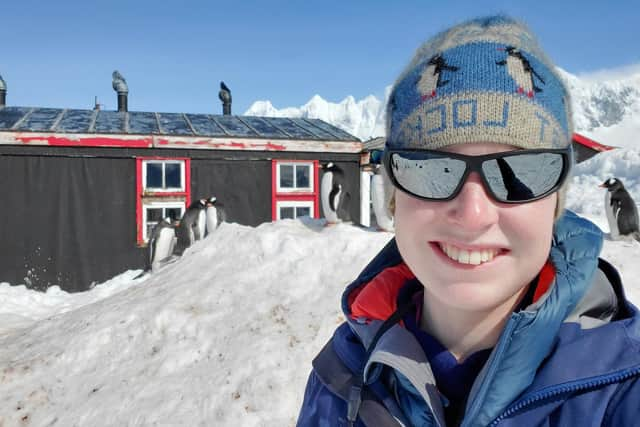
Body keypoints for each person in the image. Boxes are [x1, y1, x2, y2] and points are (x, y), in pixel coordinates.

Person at [296, 15, 640, 426]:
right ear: (394, 197)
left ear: (555, 201)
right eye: (431, 169)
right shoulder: (338, 381)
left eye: (519, 174)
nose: (473, 214)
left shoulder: (623, 392)